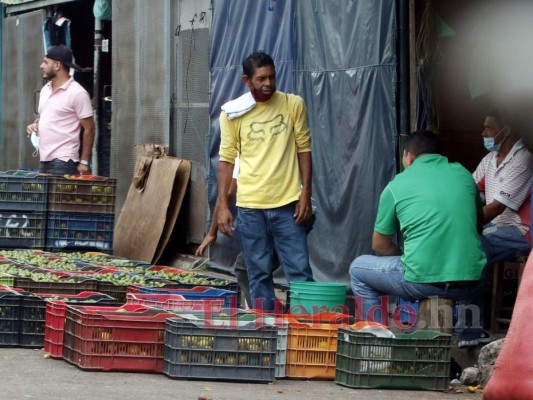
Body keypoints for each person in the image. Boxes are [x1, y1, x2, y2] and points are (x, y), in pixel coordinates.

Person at [349, 131, 487, 347]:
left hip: (421, 282)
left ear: (410, 156)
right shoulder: (464, 175)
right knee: (473, 256)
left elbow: (380, 246)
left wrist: (406, 256)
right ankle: (469, 336)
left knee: (358, 269)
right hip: (472, 283)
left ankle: (376, 344)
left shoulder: (397, 185)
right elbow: (478, 221)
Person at [216, 51, 314, 311]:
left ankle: (306, 332)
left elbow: (304, 149)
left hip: (288, 205)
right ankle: (267, 330)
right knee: (257, 274)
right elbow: (226, 160)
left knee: (300, 273)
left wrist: (305, 193)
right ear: (246, 81)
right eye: (261, 79)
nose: (269, 83)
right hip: (250, 208)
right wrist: (224, 206)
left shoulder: (293, 104)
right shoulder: (232, 114)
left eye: (272, 76)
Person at [473, 107, 533, 265]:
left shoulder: (523, 160)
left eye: (488, 127)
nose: (483, 133)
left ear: (506, 131)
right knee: (469, 239)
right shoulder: (490, 159)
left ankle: (478, 289)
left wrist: (464, 220)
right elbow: (471, 190)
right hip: (496, 225)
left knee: (475, 245)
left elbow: (496, 208)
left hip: (521, 230)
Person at [26, 44, 95, 176]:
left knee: (58, 197)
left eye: (46, 62)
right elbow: (44, 116)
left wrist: (84, 162)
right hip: (44, 159)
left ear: (57, 65)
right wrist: (35, 125)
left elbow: (90, 128)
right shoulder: (45, 90)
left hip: (64, 161)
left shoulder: (77, 93)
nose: (41, 66)